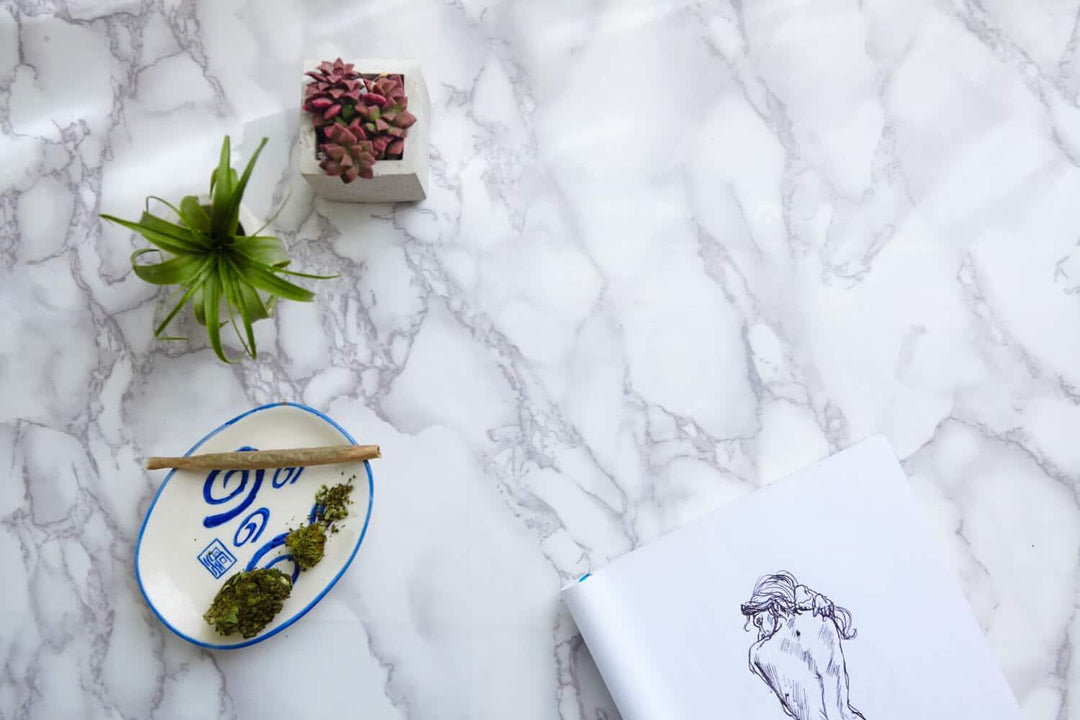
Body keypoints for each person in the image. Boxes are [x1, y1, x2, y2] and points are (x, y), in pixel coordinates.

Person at [740, 572, 866, 720]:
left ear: (773, 606)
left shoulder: (760, 654)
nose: (761, 632)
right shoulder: (823, 622)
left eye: (760, 622)